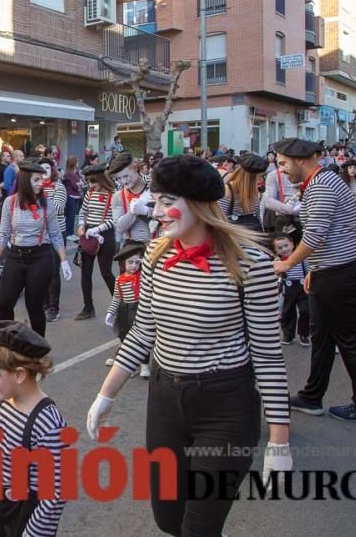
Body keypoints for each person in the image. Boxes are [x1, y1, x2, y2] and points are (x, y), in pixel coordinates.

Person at [86, 155, 292, 536]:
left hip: (226, 405)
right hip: (166, 400)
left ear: (198, 204)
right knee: (168, 519)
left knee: (200, 525)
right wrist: (106, 395)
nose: (157, 212)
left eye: (167, 202)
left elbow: (267, 355)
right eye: (156, 200)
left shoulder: (252, 263)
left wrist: (279, 441)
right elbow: (142, 330)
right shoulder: (155, 252)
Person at [272, 138, 356, 424]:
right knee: (321, 336)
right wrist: (313, 269)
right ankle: (311, 397)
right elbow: (330, 234)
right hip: (330, 271)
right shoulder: (318, 182)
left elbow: (315, 235)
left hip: (341, 274)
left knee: (348, 341)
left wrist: (287, 264)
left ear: (300, 159)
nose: (281, 169)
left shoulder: (321, 185)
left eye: (283, 163)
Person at [0, 320, 67, 536]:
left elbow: (55, 493)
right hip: (4, 503)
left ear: (19, 375)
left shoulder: (48, 423)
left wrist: (33, 533)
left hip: (31, 514)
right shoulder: (2, 401)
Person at [0, 161, 71, 337]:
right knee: (4, 302)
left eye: (41, 179)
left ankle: (38, 350)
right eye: (36, 180)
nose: (40, 183)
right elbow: (4, 233)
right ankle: (9, 342)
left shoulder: (47, 204)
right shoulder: (10, 202)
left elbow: (56, 235)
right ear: (24, 181)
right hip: (15, 256)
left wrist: (64, 260)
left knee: (34, 305)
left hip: (40, 257)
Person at [75, 164, 117, 320]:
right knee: (85, 272)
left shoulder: (114, 195)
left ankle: (119, 305)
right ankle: (88, 307)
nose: (90, 185)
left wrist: (98, 229)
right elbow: (83, 211)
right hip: (88, 234)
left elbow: (114, 219)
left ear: (101, 180)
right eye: (89, 182)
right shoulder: (90, 193)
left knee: (106, 272)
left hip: (106, 235)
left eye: (93, 182)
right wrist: (81, 225)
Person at [103, 243, 150, 378]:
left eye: (137, 262)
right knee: (125, 337)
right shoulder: (119, 280)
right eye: (130, 262)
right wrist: (110, 312)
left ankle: (145, 365)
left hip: (139, 309)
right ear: (123, 264)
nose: (134, 266)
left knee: (142, 338)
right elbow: (116, 298)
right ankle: (131, 365)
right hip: (124, 311)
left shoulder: (143, 277)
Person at [39, 158, 67, 323]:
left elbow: (57, 209)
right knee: (41, 272)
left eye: (47, 168)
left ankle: (53, 308)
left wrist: (37, 206)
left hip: (56, 233)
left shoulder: (59, 187)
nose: (44, 172)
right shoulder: (35, 188)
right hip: (39, 234)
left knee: (54, 272)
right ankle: (43, 304)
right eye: (41, 169)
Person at [271, 232, 310, 347]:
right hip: (287, 288)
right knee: (287, 312)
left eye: (286, 245)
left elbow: (308, 272)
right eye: (280, 247)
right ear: (276, 250)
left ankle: (304, 334)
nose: (284, 249)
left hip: (302, 287)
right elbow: (275, 275)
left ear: (292, 245)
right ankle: (288, 334)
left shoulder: (301, 258)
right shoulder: (278, 261)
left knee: (305, 311)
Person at [108, 153, 154, 252]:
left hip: (155, 248)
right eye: (118, 179)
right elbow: (119, 228)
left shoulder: (154, 190)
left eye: (126, 176)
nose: (123, 182)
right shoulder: (118, 197)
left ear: (134, 168)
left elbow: (166, 217)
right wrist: (133, 212)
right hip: (131, 252)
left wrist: (147, 211)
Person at [219, 153, 267, 233]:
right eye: (260, 176)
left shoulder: (254, 191)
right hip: (234, 239)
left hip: (253, 238)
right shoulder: (227, 192)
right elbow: (219, 222)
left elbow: (258, 218)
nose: (261, 180)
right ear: (249, 177)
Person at [62, 156, 83, 239]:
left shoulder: (76, 173)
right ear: (73, 163)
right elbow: (75, 186)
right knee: (70, 215)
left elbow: (81, 182)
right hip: (70, 196)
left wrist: (79, 183)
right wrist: (79, 183)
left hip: (76, 196)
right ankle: (68, 233)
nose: (78, 163)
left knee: (73, 215)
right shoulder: (68, 174)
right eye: (76, 162)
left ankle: (71, 233)